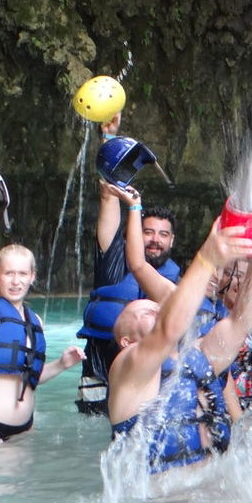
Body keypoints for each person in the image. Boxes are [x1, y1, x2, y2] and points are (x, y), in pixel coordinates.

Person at [106, 219, 252, 474]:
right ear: (126, 340)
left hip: (207, 495)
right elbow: (167, 329)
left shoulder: (197, 354)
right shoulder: (127, 367)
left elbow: (243, 320)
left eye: (157, 308)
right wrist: (207, 257)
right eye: (146, 311)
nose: (156, 309)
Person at [0, 204, 84, 443]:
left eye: (22, 274)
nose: (16, 281)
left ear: (32, 277)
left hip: (24, 430)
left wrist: (62, 364)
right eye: (8, 273)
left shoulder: (35, 321)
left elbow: (27, 376)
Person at [76, 122, 182, 415]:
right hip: (103, 360)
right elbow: (109, 195)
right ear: (133, 232)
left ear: (172, 241)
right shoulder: (115, 259)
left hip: (149, 367)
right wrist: (109, 139)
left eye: (163, 235)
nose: (155, 240)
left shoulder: (174, 279)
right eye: (148, 232)